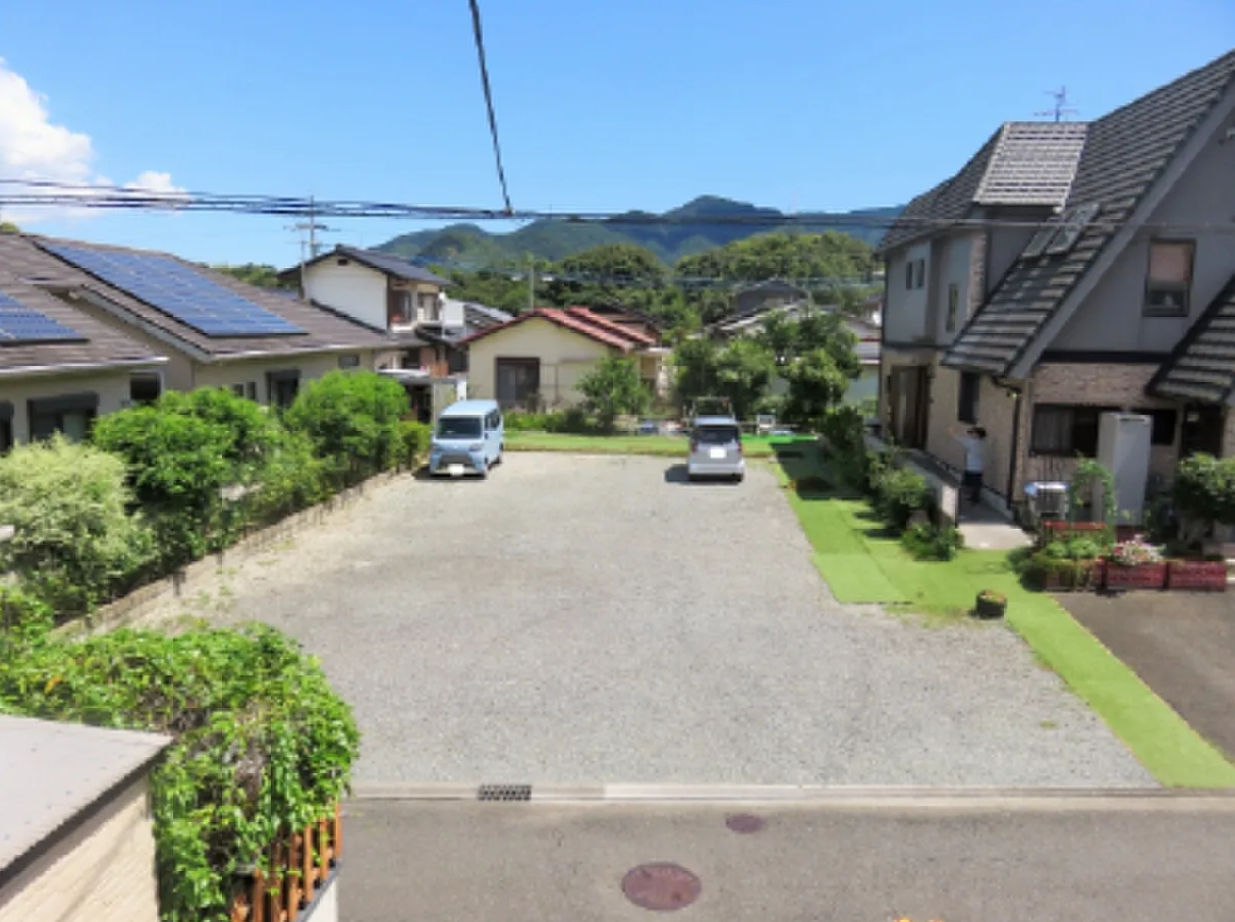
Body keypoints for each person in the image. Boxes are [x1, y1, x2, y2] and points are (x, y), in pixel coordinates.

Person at [950, 423, 987, 514]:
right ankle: (974, 498)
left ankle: (974, 499)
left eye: (973, 433)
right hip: (978, 467)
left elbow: (960, 439)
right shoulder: (981, 443)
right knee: (975, 484)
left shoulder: (974, 443)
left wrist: (952, 431)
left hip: (972, 467)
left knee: (969, 484)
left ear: (977, 435)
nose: (971, 435)